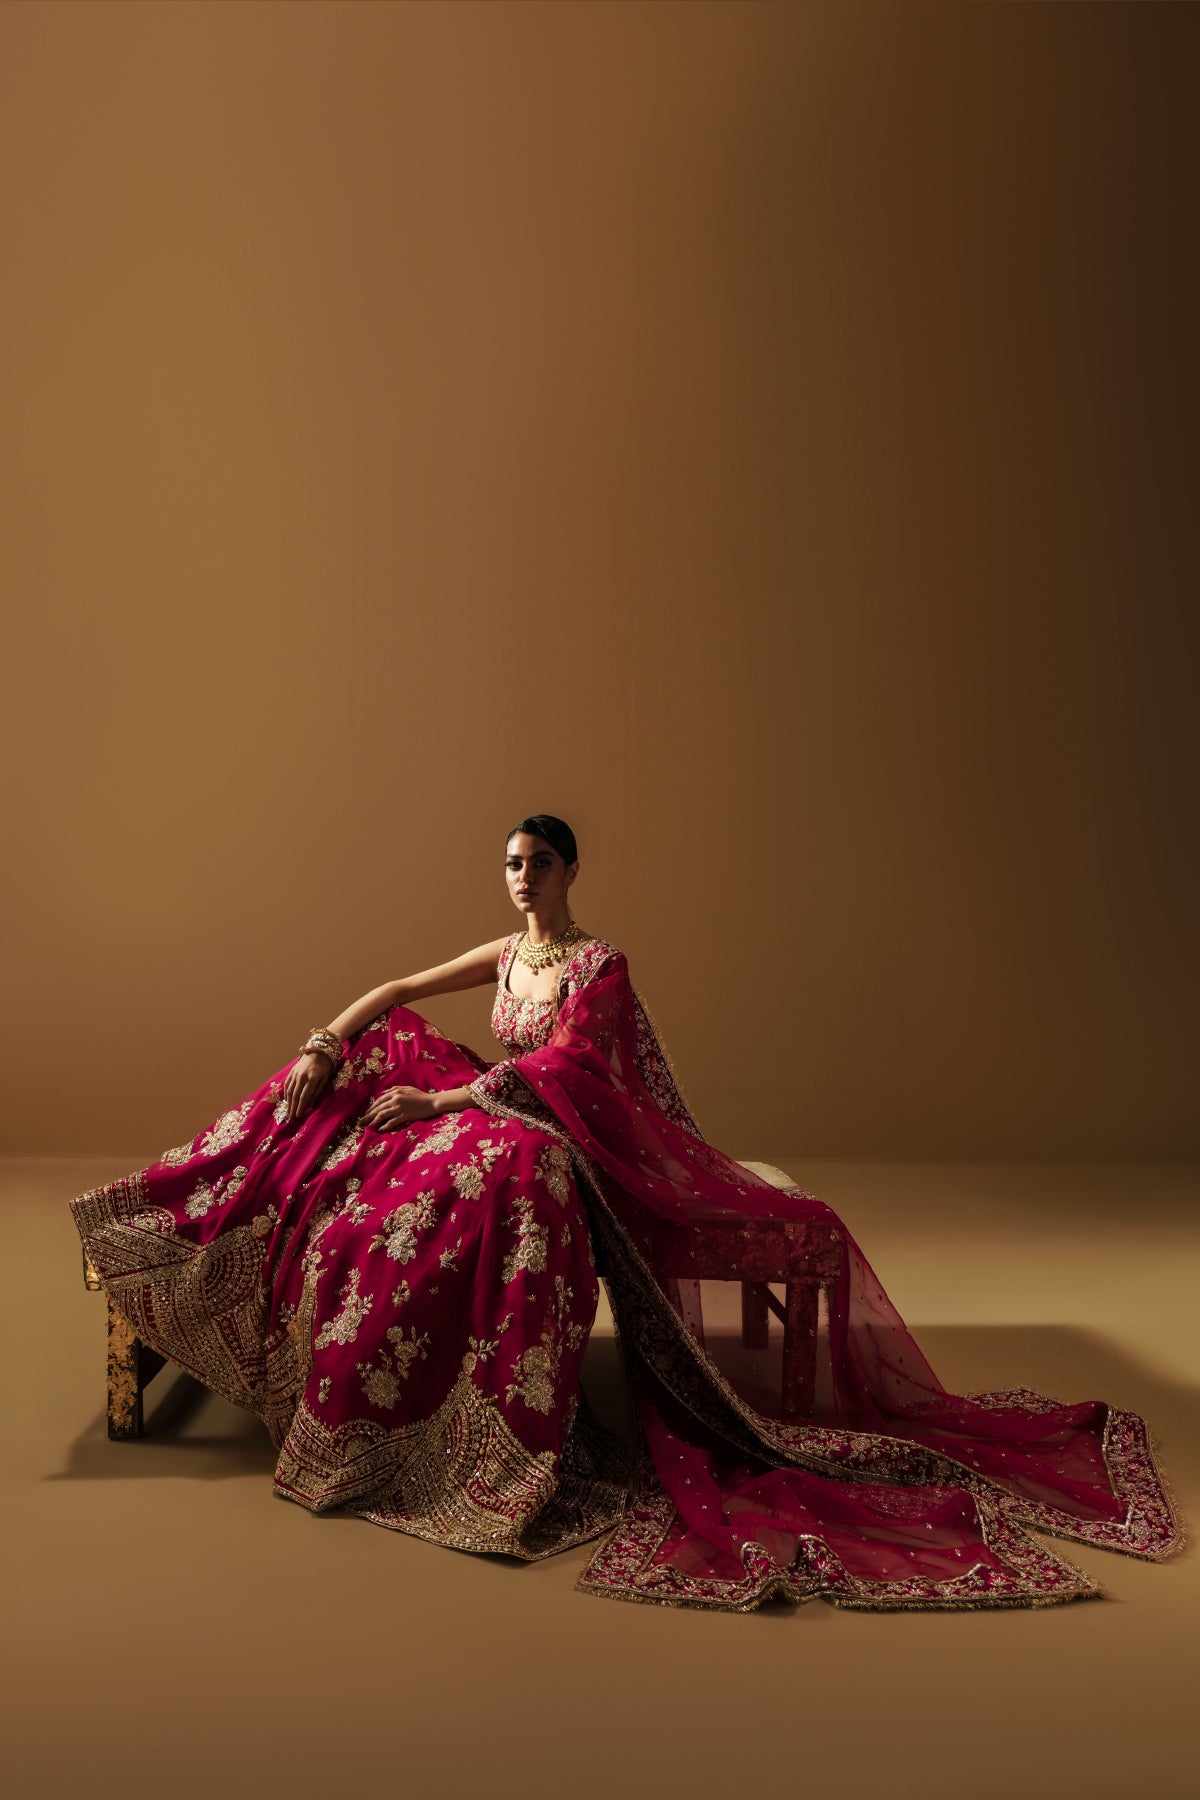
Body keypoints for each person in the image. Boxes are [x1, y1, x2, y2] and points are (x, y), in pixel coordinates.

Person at [68, 814, 1182, 1611]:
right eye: (509, 863)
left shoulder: (597, 967)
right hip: (488, 1100)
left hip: (549, 1123)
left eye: (536, 864)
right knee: (372, 1056)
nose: (518, 879)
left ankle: (450, 1406)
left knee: (484, 1165)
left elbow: (570, 1076)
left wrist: (447, 1098)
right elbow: (400, 987)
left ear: (569, 870)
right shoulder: (507, 952)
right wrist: (324, 1039)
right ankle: (216, 1212)